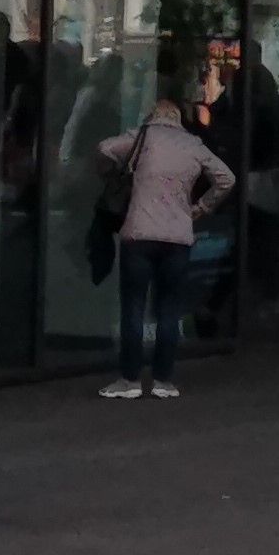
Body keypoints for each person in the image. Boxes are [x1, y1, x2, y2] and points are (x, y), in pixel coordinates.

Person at [89, 67, 231, 401]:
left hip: (139, 233)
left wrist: (113, 172)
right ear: (179, 118)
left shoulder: (141, 137)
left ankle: (129, 379)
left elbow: (104, 148)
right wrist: (201, 208)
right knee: (169, 308)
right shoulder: (192, 144)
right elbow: (226, 178)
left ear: (153, 116)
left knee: (134, 308)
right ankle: (164, 380)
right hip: (178, 236)